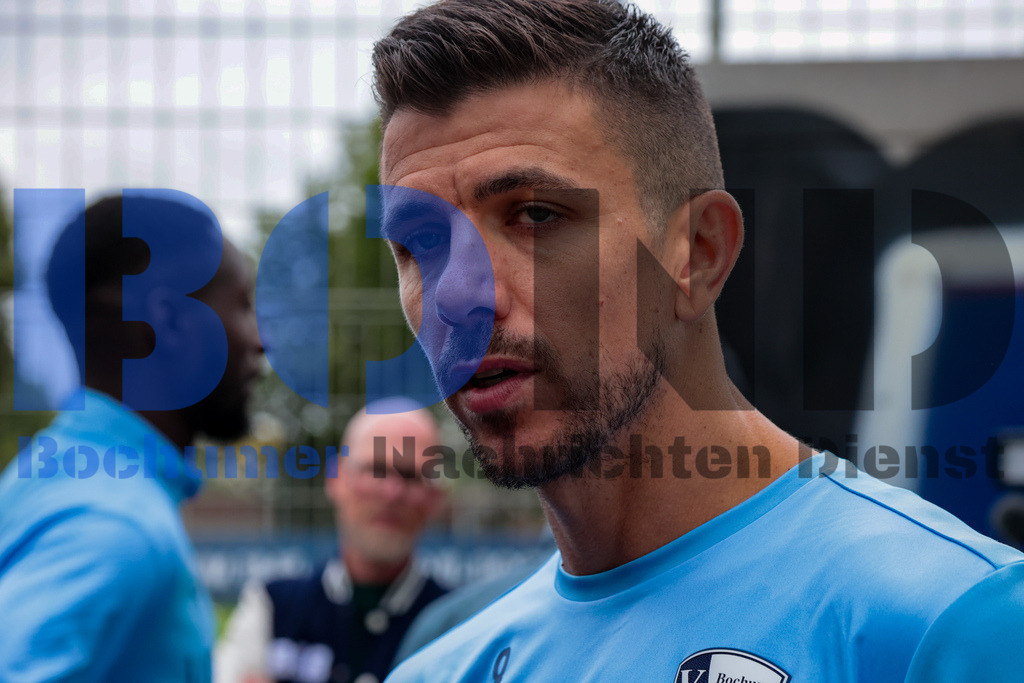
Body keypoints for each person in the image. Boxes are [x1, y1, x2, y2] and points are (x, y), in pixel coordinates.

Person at [370, 1, 1024, 681]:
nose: (457, 294)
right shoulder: (440, 670)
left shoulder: (950, 622)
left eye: (536, 215)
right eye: (421, 242)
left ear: (699, 253)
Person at [0, 193, 265, 681]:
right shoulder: (119, 530)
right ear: (168, 322)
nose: (259, 339)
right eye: (243, 304)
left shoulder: (42, 477)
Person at [215, 400, 448, 683]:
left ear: (434, 499)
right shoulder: (271, 606)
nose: (392, 492)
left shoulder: (460, 622)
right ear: (336, 478)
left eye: (411, 476)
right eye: (376, 469)